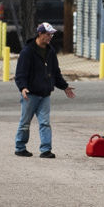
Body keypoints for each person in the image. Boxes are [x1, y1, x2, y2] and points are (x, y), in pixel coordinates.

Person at [14, 22, 74, 157]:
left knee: (45, 123)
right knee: (25, 122)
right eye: (48, 34)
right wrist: (23, 88)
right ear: (40, 34)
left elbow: (55, 72)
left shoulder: (51, 51)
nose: (50, 37)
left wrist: (64, 86)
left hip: (45, 94)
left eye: (51, 35)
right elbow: (20, 73)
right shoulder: (27, 52)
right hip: (30, 94)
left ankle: (46, 150)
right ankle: (20, 147)